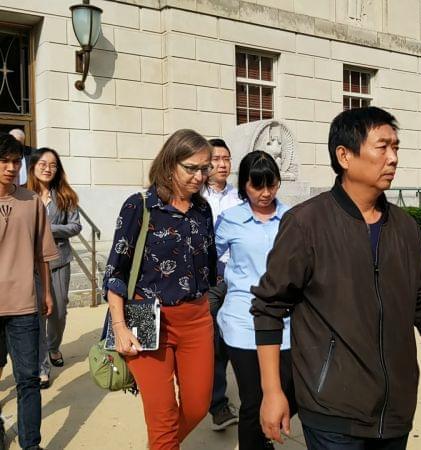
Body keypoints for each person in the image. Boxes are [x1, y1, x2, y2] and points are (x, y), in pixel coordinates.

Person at [251, 107, 421, 449]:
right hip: (332, 412)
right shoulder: (306, 224)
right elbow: (269, 307)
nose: (393, 158)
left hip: (395, 409)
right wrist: (272, 391)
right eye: (382, 147)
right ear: (344, 156)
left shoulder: (405, 229)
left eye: (396, 147)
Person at [102, 129, 217, 450]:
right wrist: (120, 327)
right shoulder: (140, 205)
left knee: (197, 406)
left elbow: (209, 268)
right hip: (146, 320)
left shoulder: (202, 210)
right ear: (169, 165)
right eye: (191, 168)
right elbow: (115, 272)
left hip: (196, 319)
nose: (199, 176)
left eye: (204, 168)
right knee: (163, 417)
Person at [215, 151, 295, 450]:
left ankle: (264, 438)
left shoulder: (292, 219)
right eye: (256, 186)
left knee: (289, 390)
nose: (265, 193)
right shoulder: (229, 220)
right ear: (243, 185)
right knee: (254, 400)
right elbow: (209, 257)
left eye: (271, 185)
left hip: (285, 321)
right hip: (242, 320)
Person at [0, 133, 57, 450]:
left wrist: (46, 293)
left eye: (15, 162)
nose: (10, 168)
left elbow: (42, 255)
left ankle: (31, 444)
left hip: (23, 304)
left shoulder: (32, 202)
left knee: (28, 379)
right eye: (4, 161)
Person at [26, 148, 82, 389]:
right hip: (29, 265)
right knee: (37, 315)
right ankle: (42, 368)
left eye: (53, 165)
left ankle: (53, 346)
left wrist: (49, 229)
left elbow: (75, 226)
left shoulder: (65, 195)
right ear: (34, 166)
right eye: (43, 163)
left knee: (58, 312)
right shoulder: (23, 196)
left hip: (59, 261)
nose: (48, 168)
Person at [201, 138, 241, 431]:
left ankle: (221, 401)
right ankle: (214, 402)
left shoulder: (239, 197)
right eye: (216, 159)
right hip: (206, 278)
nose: (222, 164)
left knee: (230, 340)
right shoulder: (196, 197)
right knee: (212, 342)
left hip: (235, 276)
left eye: (226, 158)